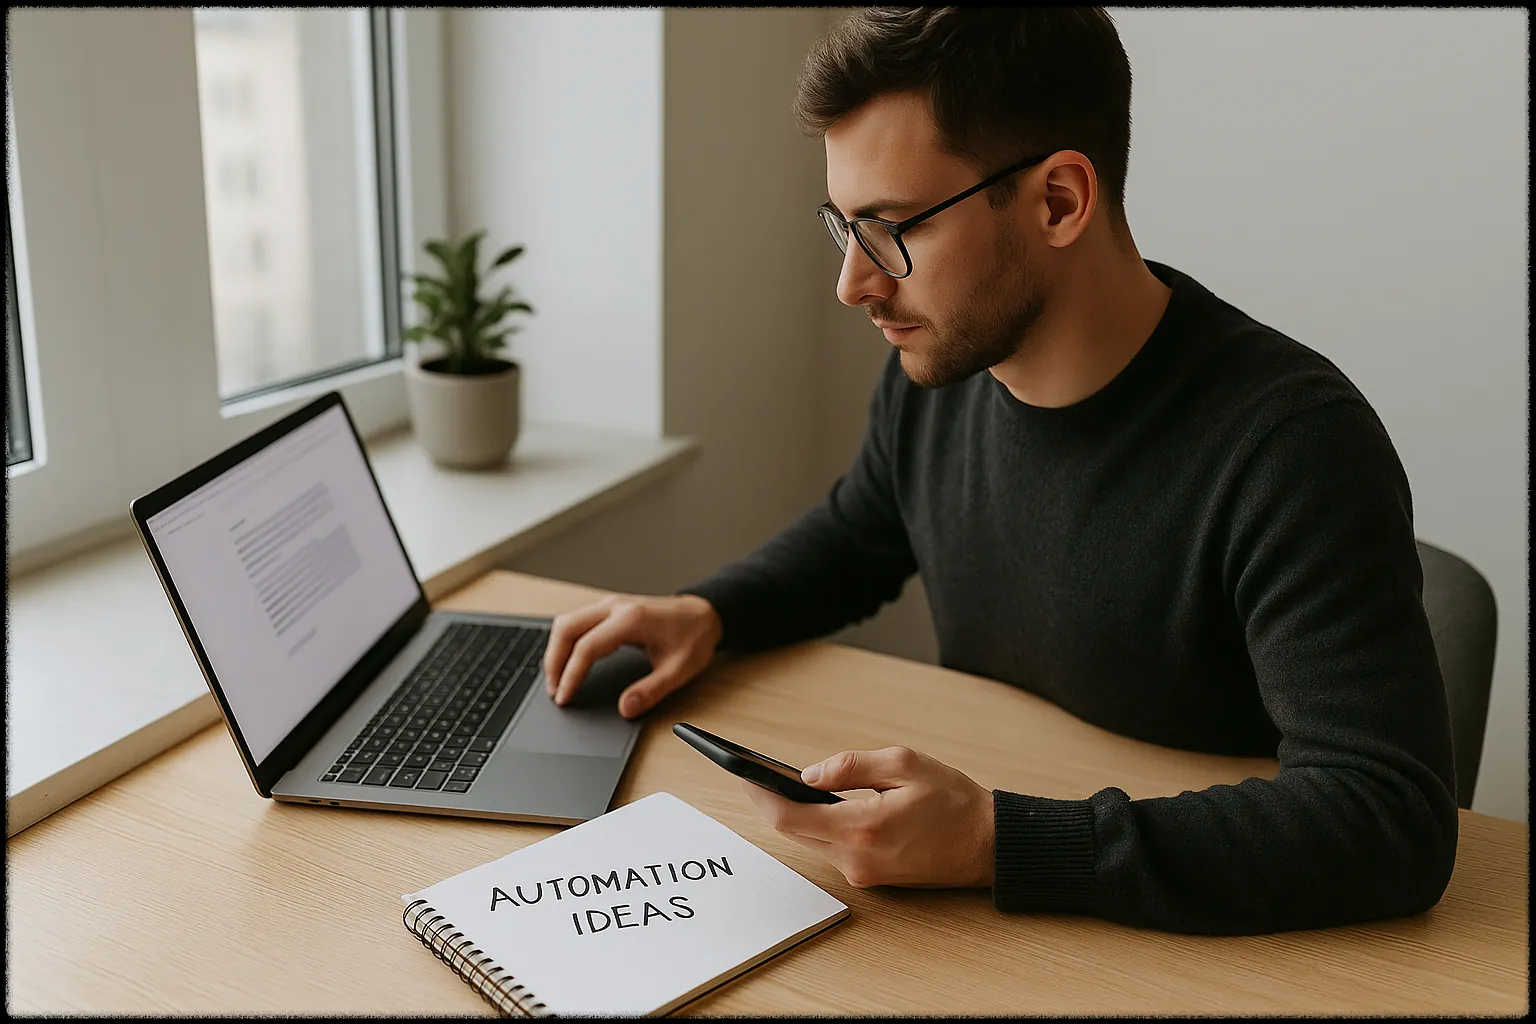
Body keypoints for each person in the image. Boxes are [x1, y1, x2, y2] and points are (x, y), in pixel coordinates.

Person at [541, 7, 1458, 936]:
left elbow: (1388, 816)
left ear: (1059, 200)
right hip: (1003, 931)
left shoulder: (1292, 447)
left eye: (891, 228)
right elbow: (863, 530)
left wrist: (997, 841)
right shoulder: (941, 367)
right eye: (843, 226)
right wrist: (712, 613)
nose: (853, 283)